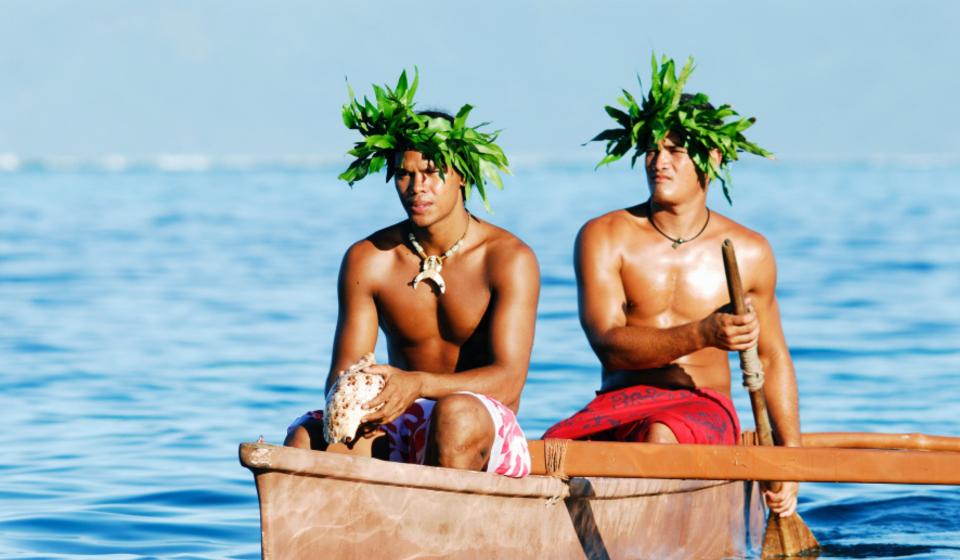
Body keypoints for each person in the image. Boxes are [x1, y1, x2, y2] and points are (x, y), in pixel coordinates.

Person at [543, 54, 802, 516]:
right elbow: (610, 345)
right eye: (651, 149)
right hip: (620, 401)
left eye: (675, 150)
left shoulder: (749, 250)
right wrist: (704, 333)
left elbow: (772, 357)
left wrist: (790, 459)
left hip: (703, 407)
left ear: (712, 157)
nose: (658, 161)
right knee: (547, 452)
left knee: (660, 431)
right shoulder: (605, 236)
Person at [285, 70, 539, 478]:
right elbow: (343, 372)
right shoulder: (369, 259)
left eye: (433, 171)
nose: (418, 187)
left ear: (463, 176)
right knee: (307, 436)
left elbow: (509, 383)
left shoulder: (508, 258)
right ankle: (334, 537)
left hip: (481, 423)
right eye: (405, 174)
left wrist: (417, 384)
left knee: (454, 415)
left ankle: (444, 536)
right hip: (400, 411)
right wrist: (365, 401)